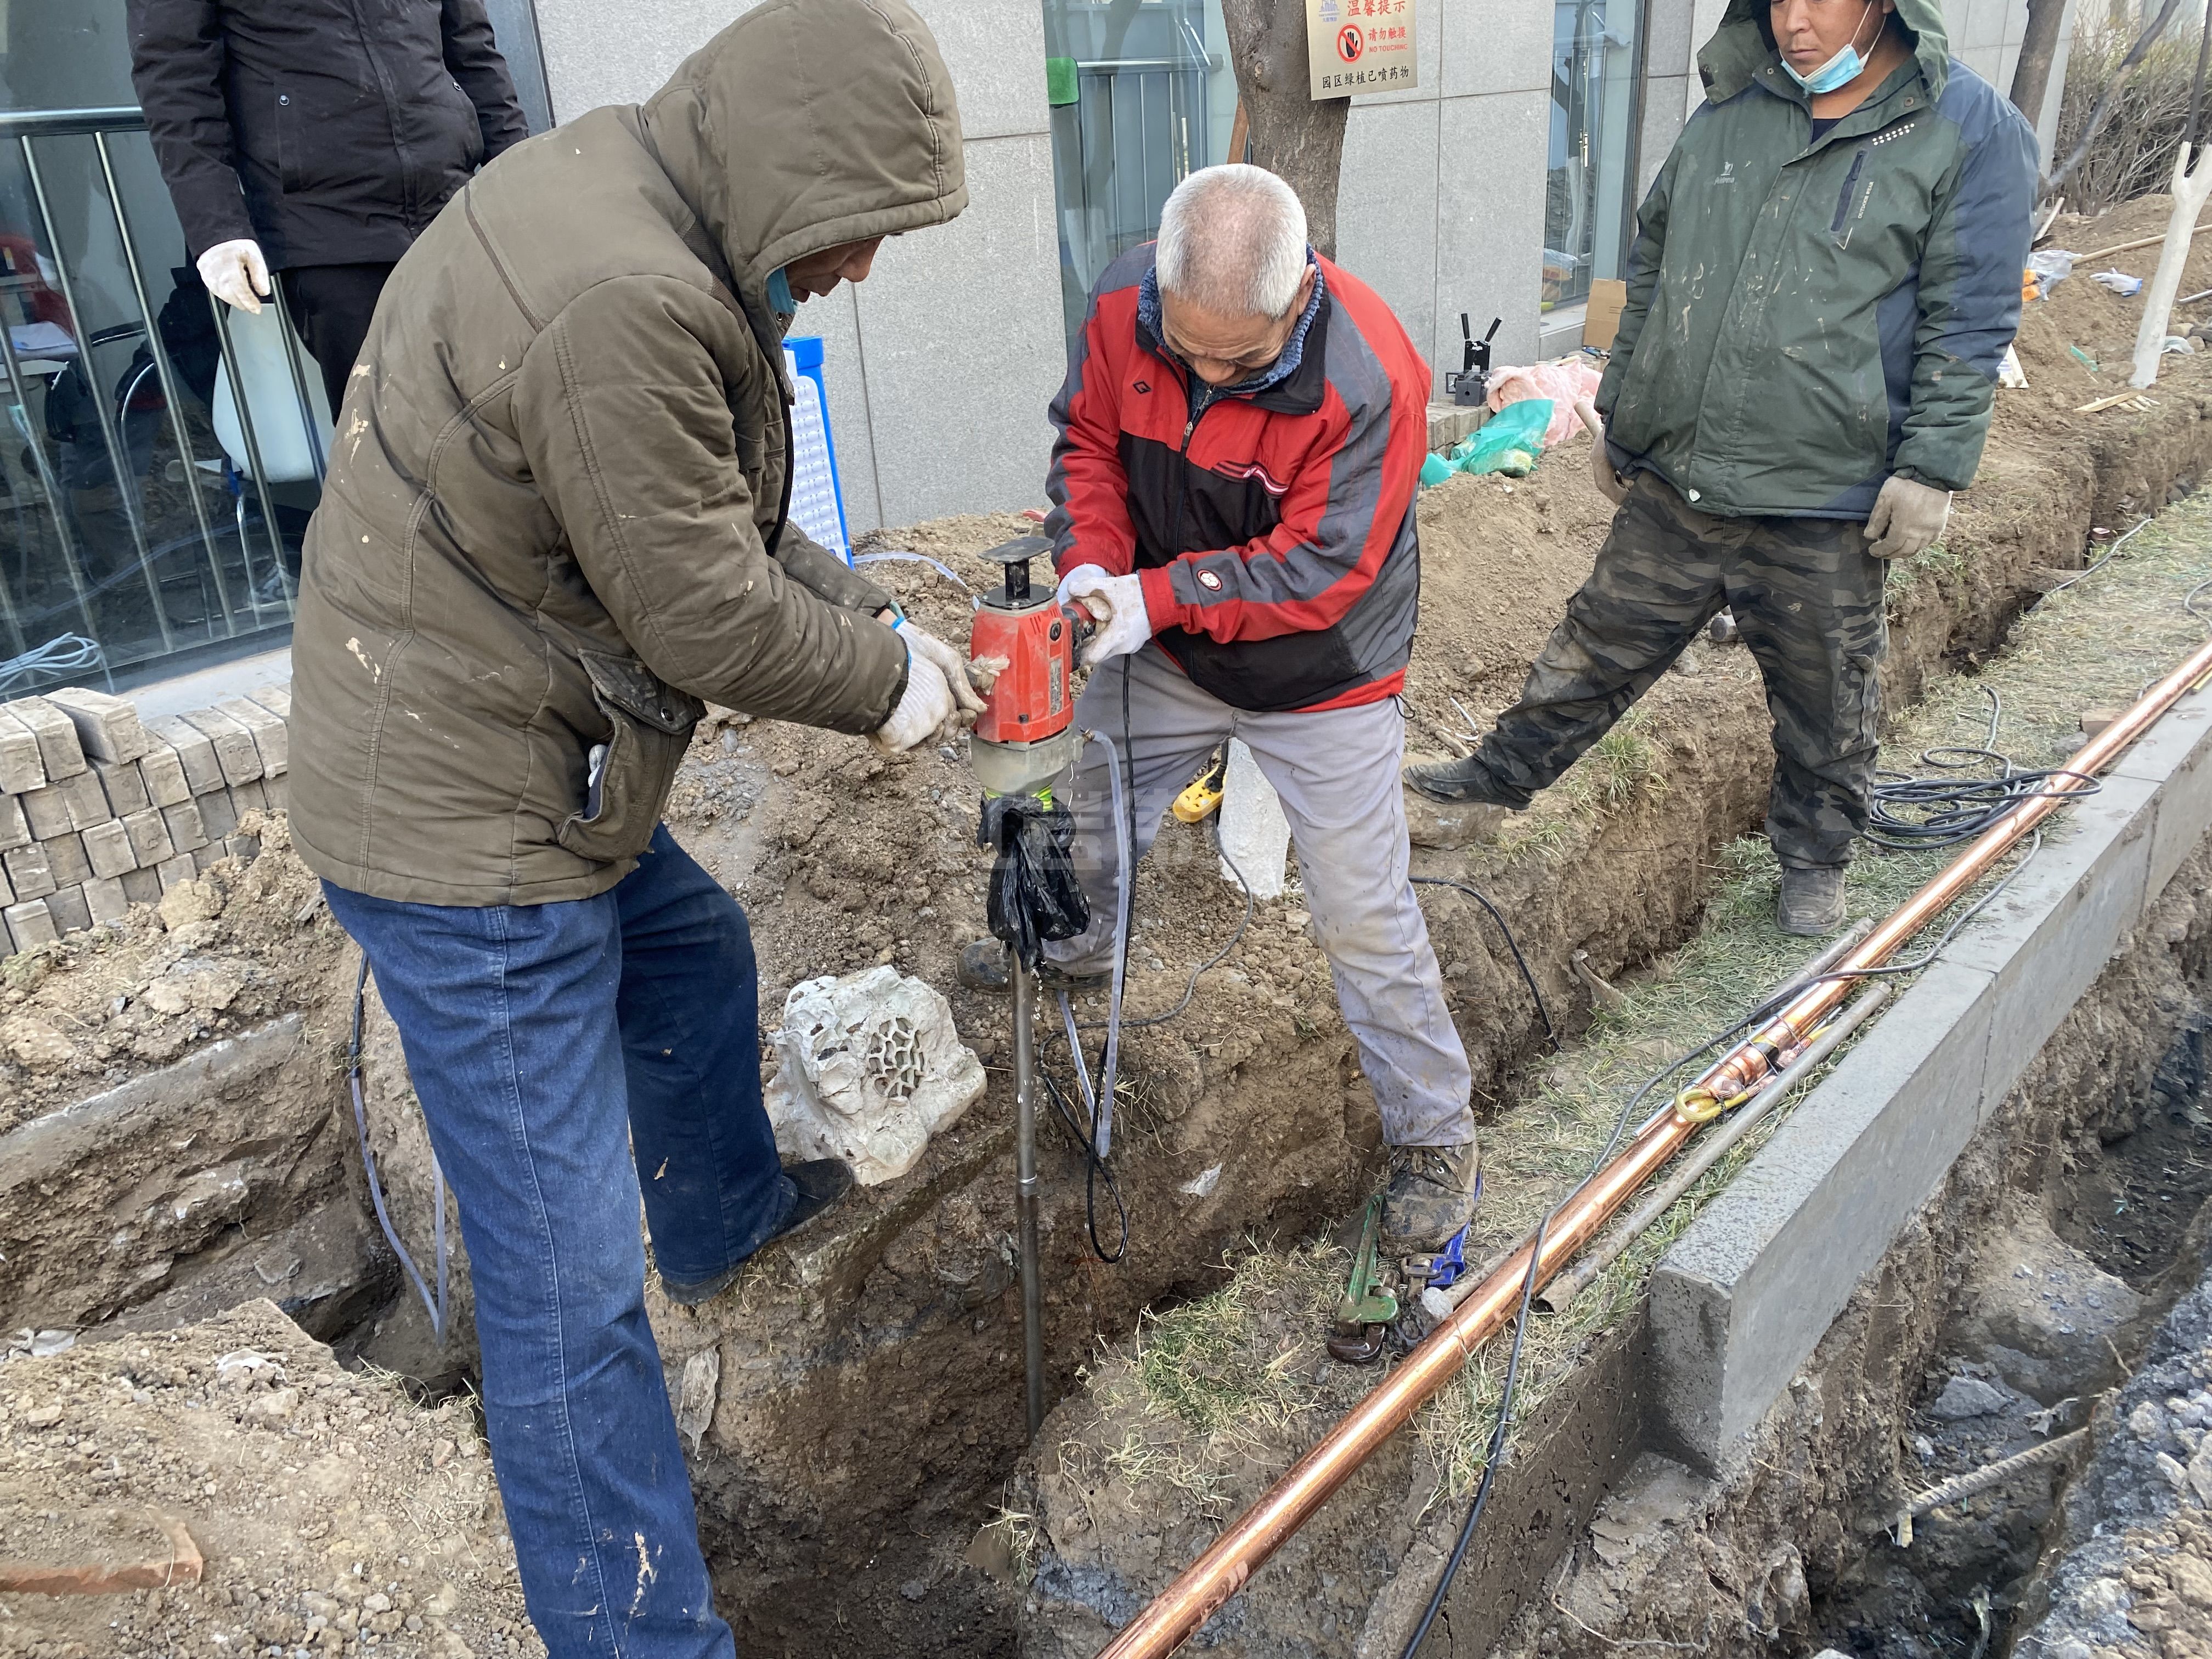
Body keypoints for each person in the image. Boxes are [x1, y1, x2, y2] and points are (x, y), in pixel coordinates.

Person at [285, 3, 974, 1653]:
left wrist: (880, 620)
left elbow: (722, 530)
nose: (862, 269)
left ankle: (726, 1220)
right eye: (860, 228)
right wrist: (890, 694)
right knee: (566, 1295)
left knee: (691, 949)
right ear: (796, 171)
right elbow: (704, 619)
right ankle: (643, 1633)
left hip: (509, 735)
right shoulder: (628, 295)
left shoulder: (654, 202)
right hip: (466, 830)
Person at [1405, 0, 2037, 935]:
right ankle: (1487, 789)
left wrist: (1932, 467)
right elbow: (1656, 266)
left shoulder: (1964, 128)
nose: (1795, 22)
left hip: (1826, 488)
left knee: (1827, 696)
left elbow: (1970, 315)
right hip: (1685, 475)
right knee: (1592, 646)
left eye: (1820, 0)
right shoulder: (1731, 112)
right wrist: (1625, 410)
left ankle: (1813, 860)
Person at [958, 164, 1480, 1269]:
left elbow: (1325, 567)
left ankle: (1435, 1139)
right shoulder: (1120, 305)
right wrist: (1095, 565)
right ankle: (1081, 942)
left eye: (1233, 361)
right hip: (1164, 638)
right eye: (1182, 347)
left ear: (1298, 301)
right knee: (1086, 795)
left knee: (1362, 915)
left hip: (1322, 672)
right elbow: (1088, 446)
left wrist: (1155, 597)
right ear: (1158, 275)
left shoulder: (1369, 374)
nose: (1200, 372)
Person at [128, 0, 529, 415]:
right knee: (393, 436)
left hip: (454, 204)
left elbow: (473, 51)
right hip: (329, 228)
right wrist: (218, 229)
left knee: (515, 414)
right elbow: (176, 84)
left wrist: (526, 177)